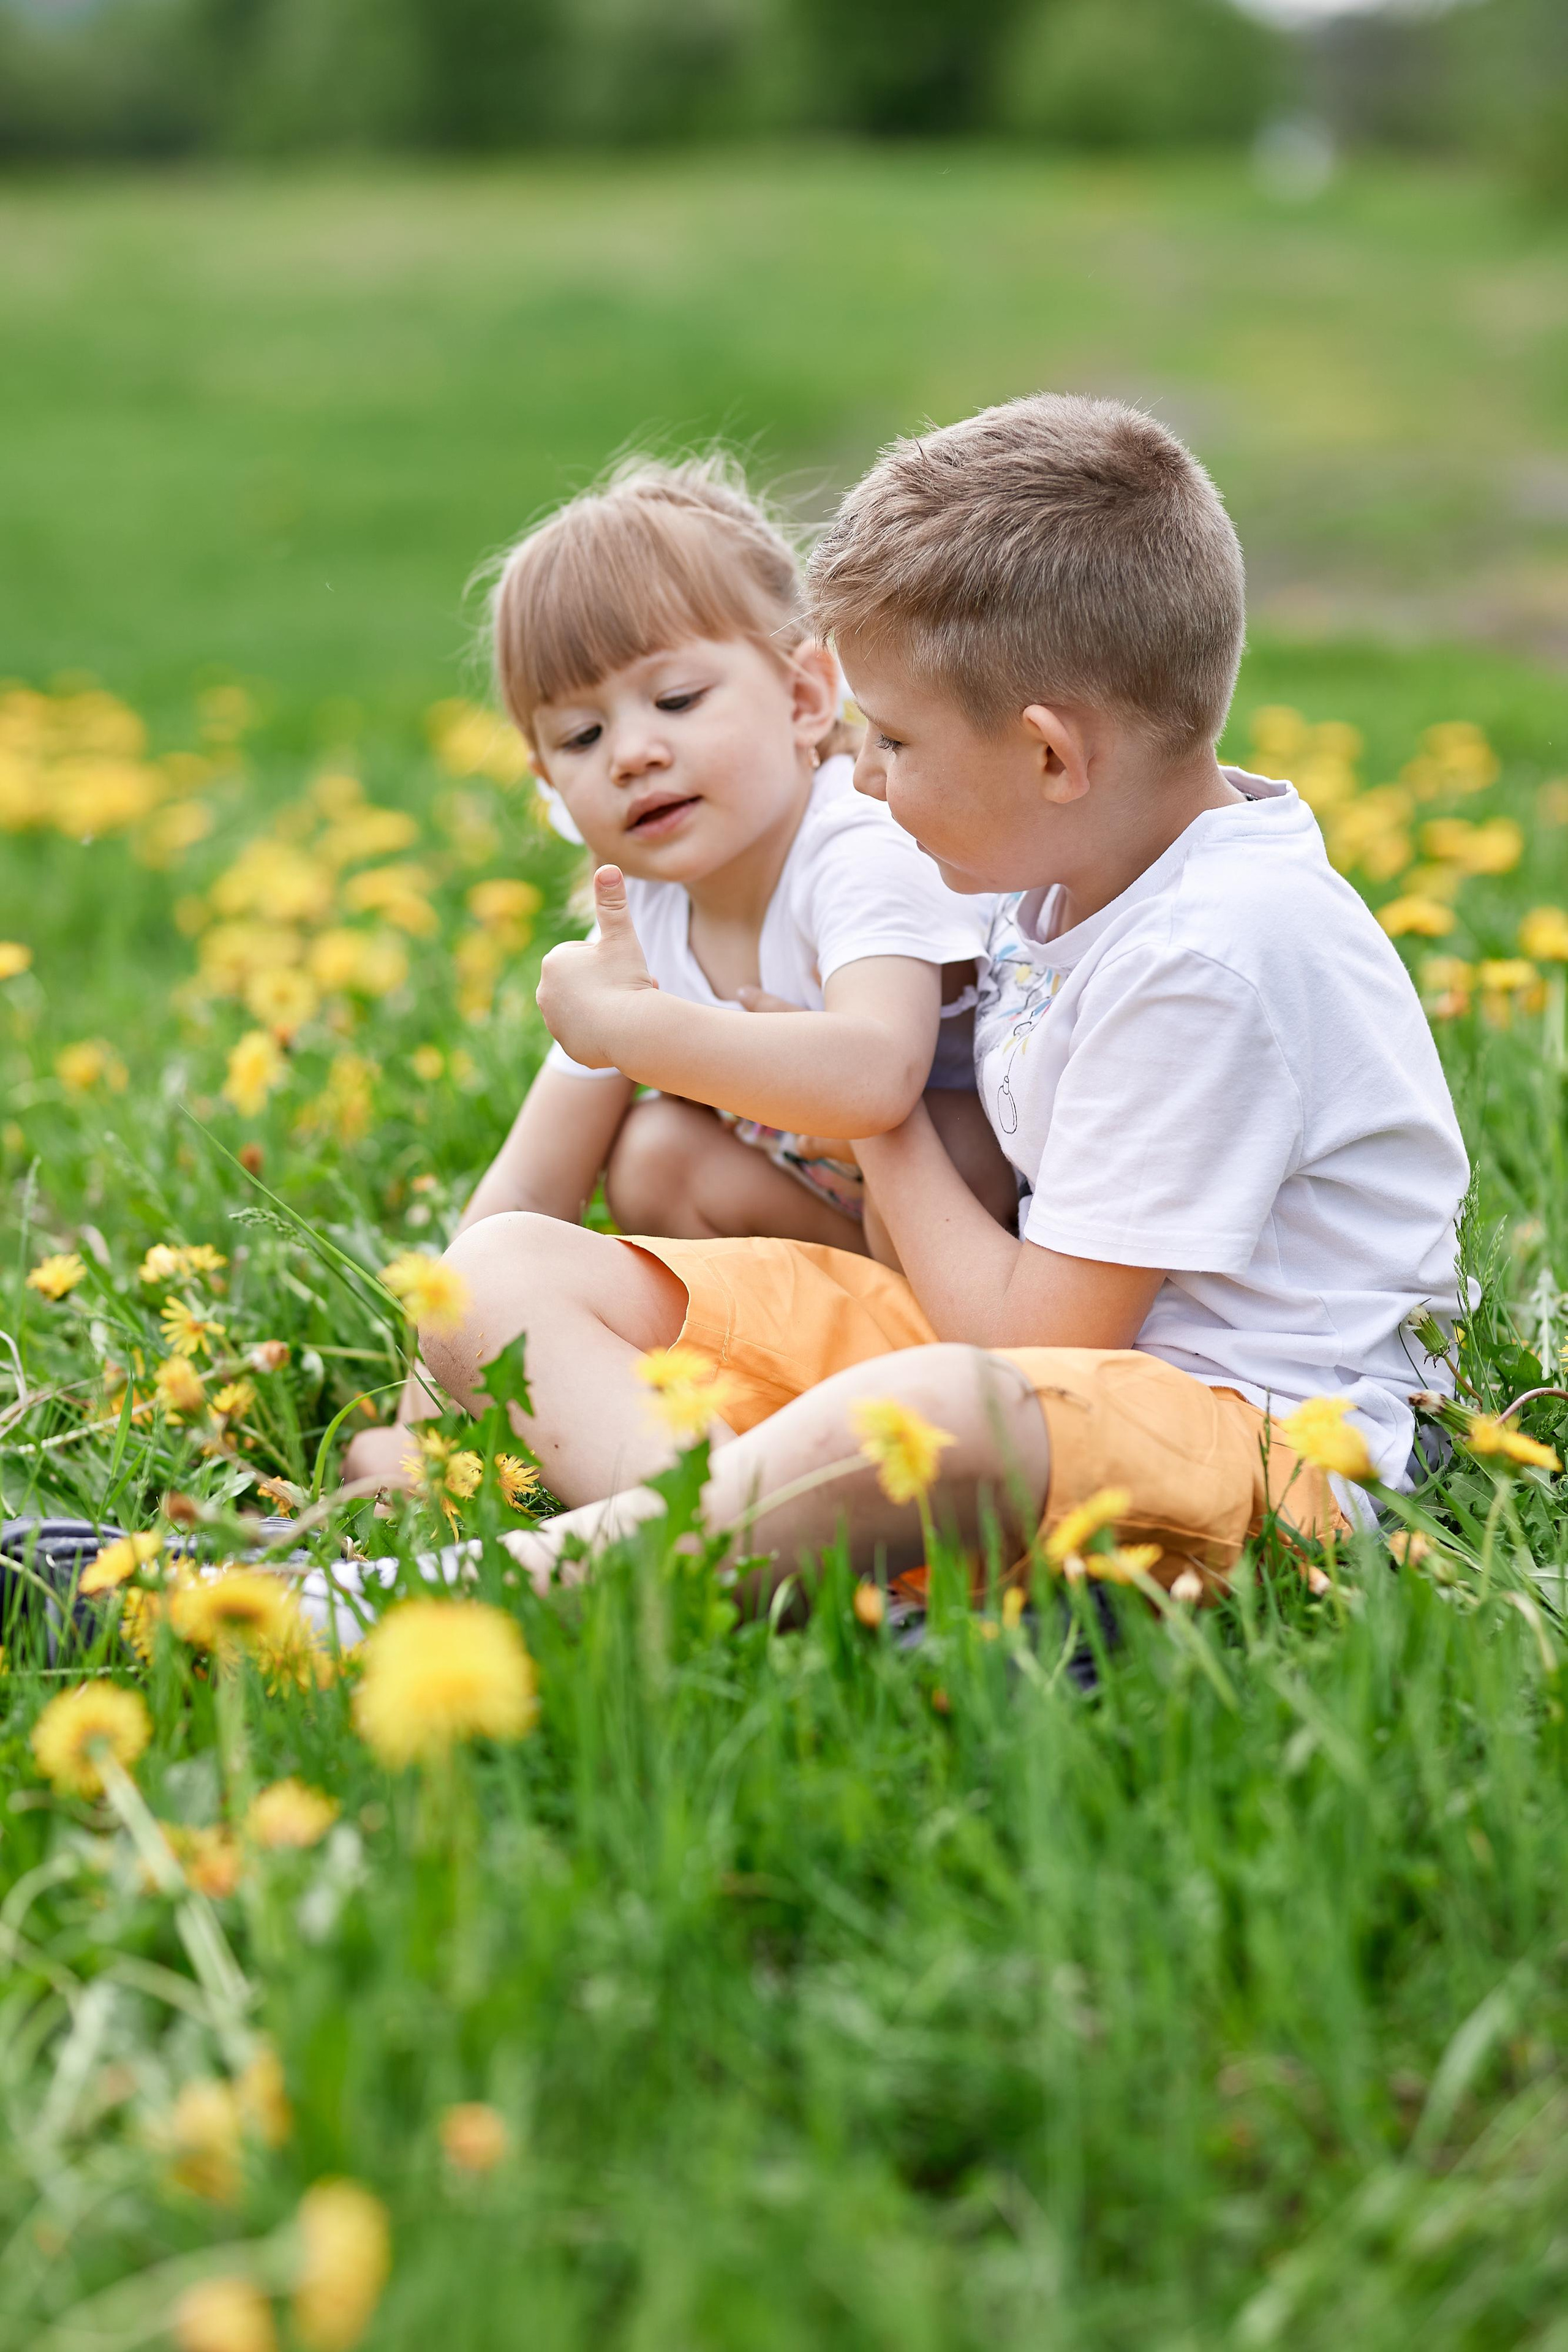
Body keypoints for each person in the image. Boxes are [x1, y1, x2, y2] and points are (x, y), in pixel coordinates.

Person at [410, 394, 1471, 1597]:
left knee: (931, 1412)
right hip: (1015, 1365)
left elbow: (1026, 1347)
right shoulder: (1071, 866)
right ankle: (735, 1539)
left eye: (894, 742)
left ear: (1050, 759)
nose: (855, 772)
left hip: (1257, 1442)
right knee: (494, 1277)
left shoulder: (1202, 957)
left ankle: (462, 1591)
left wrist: (873, 1118)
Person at [345, 455, 1009, 1491]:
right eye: (581, 733)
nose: (633, 753)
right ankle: (758, 1407)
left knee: (958, 1129)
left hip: (985, 1267)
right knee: (654, 1153)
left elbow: (878, 1075)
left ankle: (783, 1464)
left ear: (802, 696)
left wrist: (635, 1032)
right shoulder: (642, 914)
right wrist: (426, 1414)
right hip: (851, 1255)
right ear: (547, 780)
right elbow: (530, 1181)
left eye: (678, 698)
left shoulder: (861, 846)